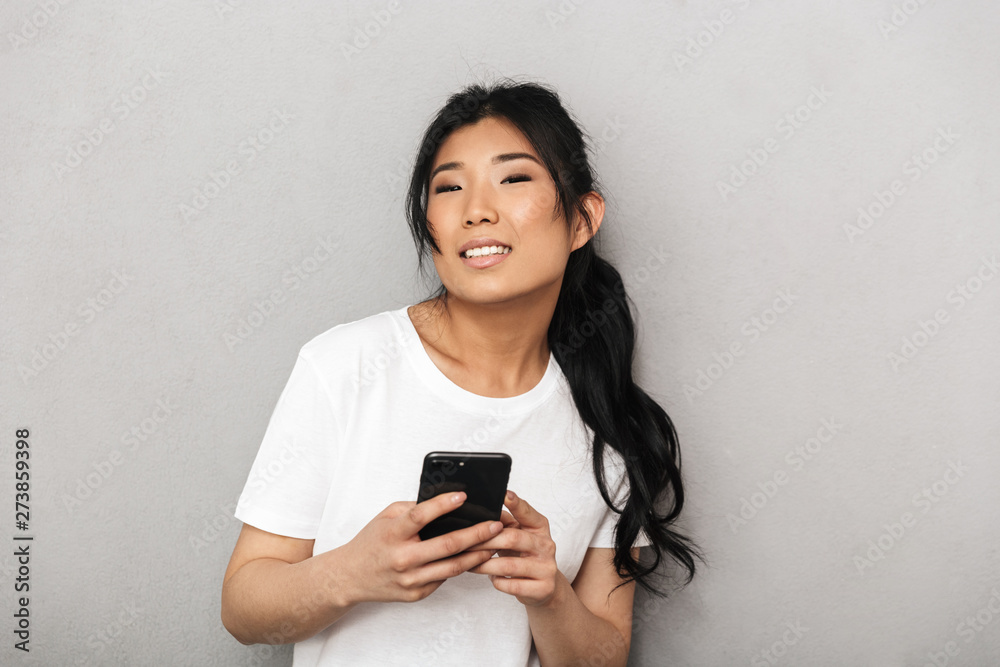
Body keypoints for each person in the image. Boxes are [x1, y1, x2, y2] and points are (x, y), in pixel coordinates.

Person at [221, 80, 698, 666]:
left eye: (513, 178)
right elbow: (242, 610)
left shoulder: (609, 424)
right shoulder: (346, 365)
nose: (477, 210)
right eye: (449, 187)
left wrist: (550, 596)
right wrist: (353, 572)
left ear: (582, 218)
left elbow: (605, 657)